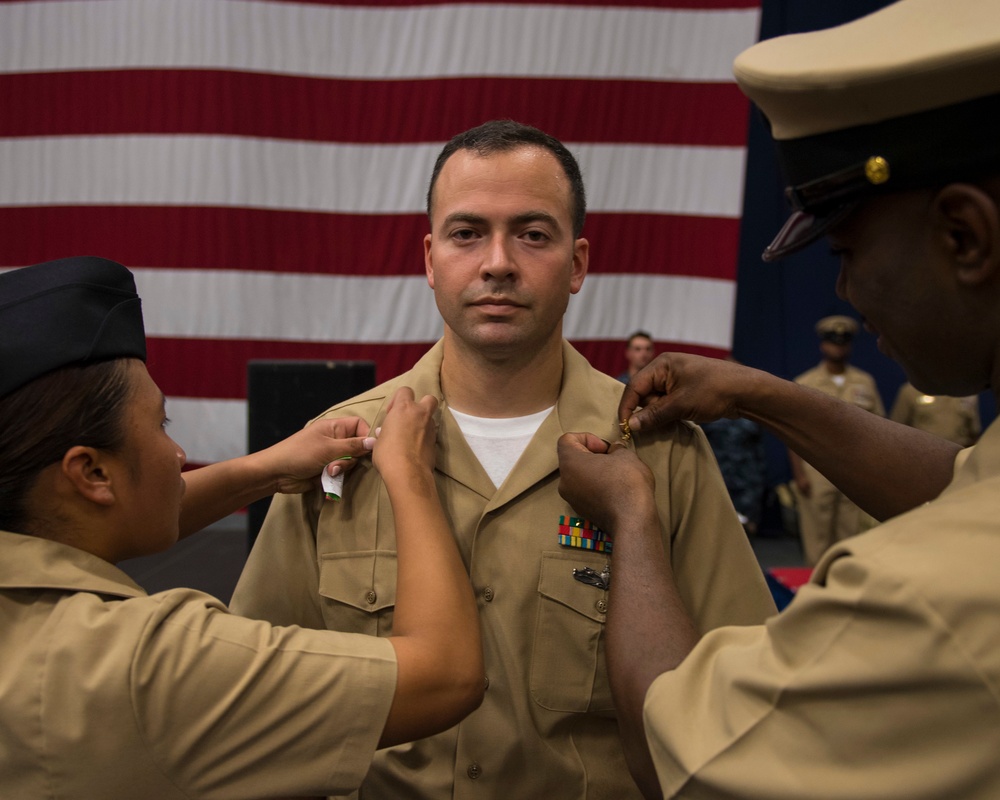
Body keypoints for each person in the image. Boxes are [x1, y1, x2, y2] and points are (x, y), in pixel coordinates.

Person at [230, 119, 776, 800]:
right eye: (467, 234)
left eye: (532, 234)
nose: (497, 262)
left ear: (577, 264)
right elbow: (258, 694)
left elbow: (741, 695)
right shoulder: (341, 447)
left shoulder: (661, 454)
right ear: (430, 260)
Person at [557, 1, 1000, 797]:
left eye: (848, 249)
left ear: (965, 235)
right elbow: (966, 484)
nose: (844, 289)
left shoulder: (923, 596)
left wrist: (630, 517)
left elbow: (684, 752)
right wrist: (759, 394)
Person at [0, 256, 484, 798]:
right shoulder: (154, 667)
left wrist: (267, 466)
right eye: (161, 424)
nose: (179, 452)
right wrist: (410, 476)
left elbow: (97, 519)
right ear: (90, 472)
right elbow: (446, 675)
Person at [791, 315, 885, 564]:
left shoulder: (864, 383)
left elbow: (879, 428)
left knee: (851, 535)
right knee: (817, 536)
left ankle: (846, 587)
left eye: (843, 342)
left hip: (856, 469)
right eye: (833, 342)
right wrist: (799, 474)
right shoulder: (806, 383)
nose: (838, 347)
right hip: (817, 470)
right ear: (823, 345)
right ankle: (817, 588)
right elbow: (792, 432)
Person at [890, 380, 981, 447]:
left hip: (958, 457)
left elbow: (974, 433)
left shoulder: (967, 393)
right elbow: (896, 432)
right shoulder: (910, 392)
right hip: (922, 456)